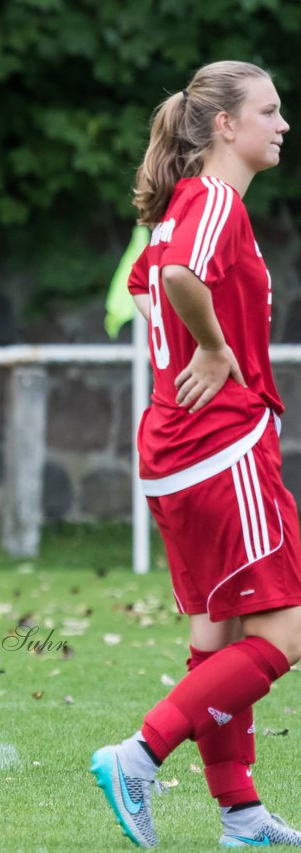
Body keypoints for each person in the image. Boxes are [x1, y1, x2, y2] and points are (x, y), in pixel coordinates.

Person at [92, 60, 301, 847]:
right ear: (224, 126)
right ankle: (138, 757)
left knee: (218, 639)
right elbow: (178, 276)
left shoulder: (179, 207)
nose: (282, 125)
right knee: (283, 639)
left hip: (179, 449)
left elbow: (157, 278)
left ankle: (241, 814)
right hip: (224, 446)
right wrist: (215, 348)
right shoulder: (212, 198)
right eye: (270, 111)